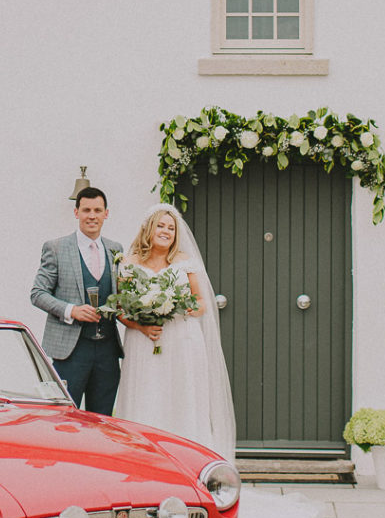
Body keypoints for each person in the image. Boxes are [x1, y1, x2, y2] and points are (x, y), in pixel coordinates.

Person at [113, 205, 236, 461]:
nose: (166, 231)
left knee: (182, 397)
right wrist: (143, 325)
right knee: (148, 395)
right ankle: (145, 461)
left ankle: (188, 460)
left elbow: (202, 303)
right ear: (149, 228)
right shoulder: (129, 262)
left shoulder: (183, 261)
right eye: (161, 225)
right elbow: (121, 310)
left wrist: (177, 306)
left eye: (171, 228)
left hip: (182, 339)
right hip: (145, 342)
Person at [30, 185, 124, 414]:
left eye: (97, 210)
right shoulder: (57, 247)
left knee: (103, 419)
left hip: (107, 350)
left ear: (106, 214)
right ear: (76, 213)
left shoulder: (116, 249)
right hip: (71, 350)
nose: (92, 216)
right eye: (86, 210)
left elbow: (121, 294)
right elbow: (38, 293)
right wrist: (71, 310)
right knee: (64, 419)